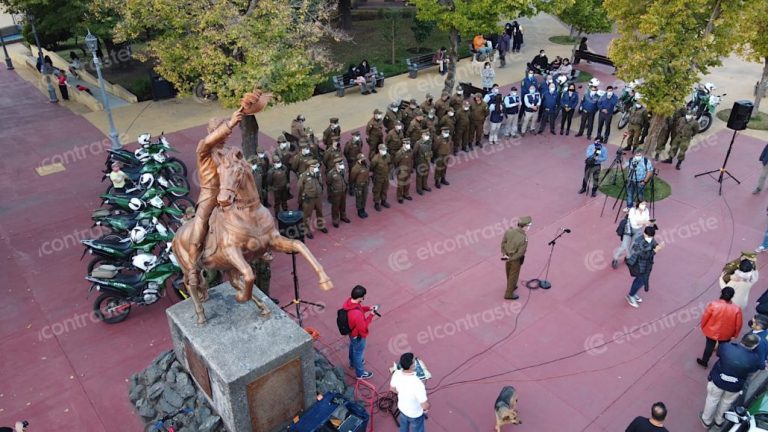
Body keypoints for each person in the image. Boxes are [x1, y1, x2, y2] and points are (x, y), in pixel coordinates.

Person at [700, 333, 762, 428]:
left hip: (718, 380)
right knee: (726, 403)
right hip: (735, 386)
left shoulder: (726, 347)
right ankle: (719, 421)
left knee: (712, 400)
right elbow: (753, 370)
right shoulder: (755, 359)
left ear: (742, 340)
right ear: (754, 346)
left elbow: (718, 353)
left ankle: (706, 421)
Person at [698, 287, 743, 368]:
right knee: (723, 347)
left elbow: (705, 317)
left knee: (709, 346)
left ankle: (704, 361)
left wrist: (703, 326)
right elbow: (738, 324)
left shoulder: (713, 304)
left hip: (711, 330)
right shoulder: (736, 309)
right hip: (727, 333)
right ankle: (721, 360)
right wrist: (735, 334)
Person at [625, 226, 664, 308]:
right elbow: (644, 256)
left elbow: (654, 243)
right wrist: (655, 251)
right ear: (644, 233)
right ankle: (631, 295)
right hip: (638, 264)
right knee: (641, 280)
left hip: (646, 265)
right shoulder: (639, 242)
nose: (650, 238)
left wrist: (658, 246)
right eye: (648, 236)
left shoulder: (650, 238)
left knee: (641, 280)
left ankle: (633, 293)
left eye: (651, 237)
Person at [343, 285, 377, 379]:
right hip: (358, 335)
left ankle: (352, 363)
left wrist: (369, 308)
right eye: (363, 296)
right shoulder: (357, 315)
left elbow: (359, 308)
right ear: (360, 297)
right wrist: (371, 315)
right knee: (358, 353)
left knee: (353, 346)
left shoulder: (349, 302)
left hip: (351, 332)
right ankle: (360, 373)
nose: (364, 298)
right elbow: (363, 327)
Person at [390, 352, 429, 432]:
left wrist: (402, 392)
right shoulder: (418, 384)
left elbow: (392, 389)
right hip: (415, 414)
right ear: (412, 366)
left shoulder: (396, 373)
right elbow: (424, 405)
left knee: (403, 428)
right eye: (414, 361)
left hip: (402, 409)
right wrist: (428, 407)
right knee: (418, 429)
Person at [612, 201, 652, 269]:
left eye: (645, 204)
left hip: (638, 231)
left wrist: (645, 222)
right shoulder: (632, 210)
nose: (644, 206)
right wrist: (644, 222)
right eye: (642, 204)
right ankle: (615, 258)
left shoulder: (646, 211)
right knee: (624, 246)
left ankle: (628, 258)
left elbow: (648, 222)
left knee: (633, 246)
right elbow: (634, 223)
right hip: (629, 229)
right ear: (638, 205)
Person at [501, 216, 532, 300]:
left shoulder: (509, 231)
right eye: (529, 226)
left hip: (507, 256)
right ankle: (509, 293)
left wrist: (505, 255)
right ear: (525, 226)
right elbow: (520, 253)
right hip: (515, 259)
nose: (529, 228)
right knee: (513, 275)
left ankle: (512, 286)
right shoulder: (524, 238)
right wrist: (511, 258)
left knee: (508, 272)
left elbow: (503, 244)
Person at [297, 159, 326, 239]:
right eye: (315, 166)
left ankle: (321, 225)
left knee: (320, 212)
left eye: (317, 166)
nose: (317, 168)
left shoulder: (317, 173)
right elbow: (300, 187)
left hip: (318, 197)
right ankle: (306, 230)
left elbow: (320, 183)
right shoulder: (304, 176)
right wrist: (302, 198)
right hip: (309, 198)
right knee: (307, 215)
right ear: (310, 167)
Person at [327, 156, 350, 228]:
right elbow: (328, 183)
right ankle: (335, 220)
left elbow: (345, 179)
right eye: (340, 164)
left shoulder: (343, 170)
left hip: (343, 191)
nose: (342, 165)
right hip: (336, 192)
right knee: (335, 206)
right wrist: (331, 193)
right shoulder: (331, 173)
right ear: (336, 165)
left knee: (343, 205)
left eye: (342, 163)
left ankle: (343, 216)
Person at [371, 144, 391, 211]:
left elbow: (389, 163)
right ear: (379, 150)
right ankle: (376, 203)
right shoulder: (375, 159)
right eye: (383, 150)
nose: (384, 151)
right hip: (378, 177)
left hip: (385, 176)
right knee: (377, 190)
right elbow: (372, 168)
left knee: (385, 189)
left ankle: (383, 201)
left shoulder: (388, 156)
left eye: (385, 149)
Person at [394, 138, 415, 203]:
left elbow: (411, 159)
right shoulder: (399, 153)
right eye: (407, 144)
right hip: (401, 171)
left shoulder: (410, 151)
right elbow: (396, 162)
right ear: (403, 145)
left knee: (407, 183)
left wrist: (411, 168)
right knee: (400, 185)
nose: (408, 145)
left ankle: (406, 194)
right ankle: (399, 196)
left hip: (408, 170)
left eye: (409, 143)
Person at [351, 153, 370, 218]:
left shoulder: (365, 165)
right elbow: (352, 178)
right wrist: (355, 185)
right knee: (359, 198)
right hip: (359, 186)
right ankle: (359, 211)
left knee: (364, 198)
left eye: (364, 159)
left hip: (365, 185)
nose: (364, 160)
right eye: (362, 159)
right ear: (358, 160)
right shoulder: (355, 168)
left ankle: (363, 209)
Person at [414, 130, 433, 195]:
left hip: (427, 160)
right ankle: (419, 188)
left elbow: (430, 149)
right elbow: (414, 153)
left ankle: (425, 185)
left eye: (428, 135)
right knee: (419, 175)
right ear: (422, 135)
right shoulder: (418, 143)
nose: (427, 136)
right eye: (426, 135)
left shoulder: (429, 141)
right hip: (420, 161)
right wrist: (416, 162)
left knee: (426, 174)